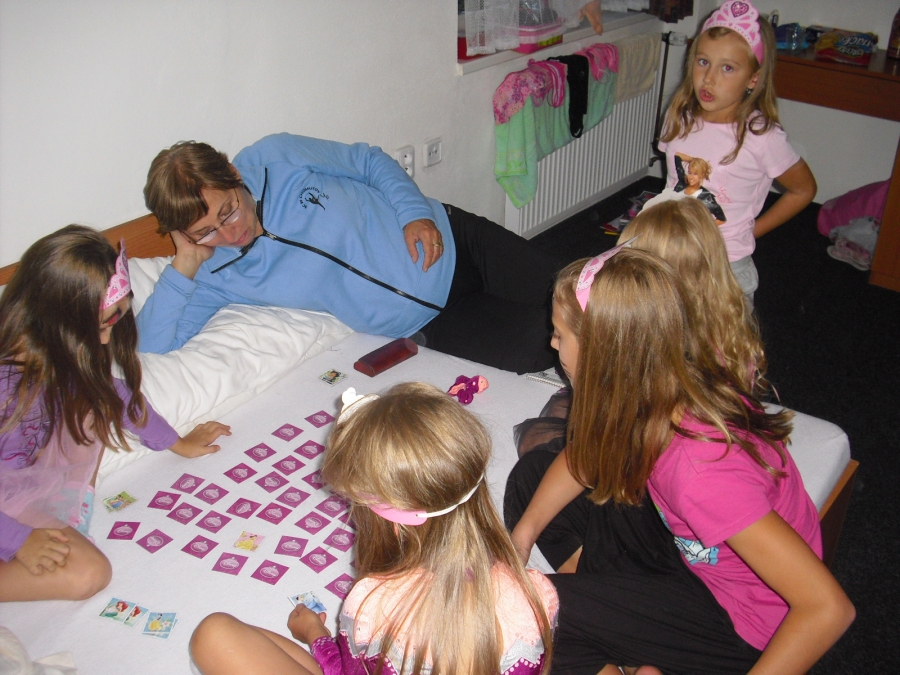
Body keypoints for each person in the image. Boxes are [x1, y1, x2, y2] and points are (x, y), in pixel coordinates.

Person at [508, 248, 854, 674]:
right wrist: (521, 540)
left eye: (560, 334)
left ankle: (622, 645)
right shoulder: (655, 382)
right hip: (694, 557)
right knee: (532, 477)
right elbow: (585, 458)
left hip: (739, 625)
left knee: (535, 615)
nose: (552, 343)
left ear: (603, 355)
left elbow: (827, 608)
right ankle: (629, 638)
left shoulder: (699, 471)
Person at [190, 382, 557, 675]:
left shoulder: (373, 602)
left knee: (213, 635)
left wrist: (317, 637)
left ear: (390, 521)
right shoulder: (535, 590)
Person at [137, 134, 562, 374]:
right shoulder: (212, 273)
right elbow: (152, 350)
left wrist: (414, 213)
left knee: (580, 294)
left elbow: (367, 162)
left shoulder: (274, 158)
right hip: (432, 321)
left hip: (455, 238)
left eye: (227, 210)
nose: (230, 233)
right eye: (205, 232)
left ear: (232, 174)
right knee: (545, 346)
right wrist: (184, 263)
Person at [0, 225, 231, 603]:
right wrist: (18, 541)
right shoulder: (6, 385)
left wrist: (178, 443)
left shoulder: (58, 356)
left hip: (20, 485)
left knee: (90, 405)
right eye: (100, 326)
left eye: (113, 321)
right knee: (90, 573)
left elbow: (117, 396)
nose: (106, 340)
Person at [657, 0, 817, 300]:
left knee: (723, 333)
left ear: (753, 79)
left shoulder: (761, 136)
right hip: (673, 255)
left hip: (724, 266)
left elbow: (804, 190)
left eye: (727, 68)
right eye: (703, 62)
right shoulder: (679, 116)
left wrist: (751, 231)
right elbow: (673, 184)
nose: (709, 78)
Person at [641, 155, 726, 224]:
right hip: (668, 218)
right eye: (689, 173)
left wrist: (702, 229)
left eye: (695, 174)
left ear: (702, 175)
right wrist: (693, 160)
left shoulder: (706, 197)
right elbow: (677, 156)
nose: (691, 177)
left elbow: (721, 219)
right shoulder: (683, 183)